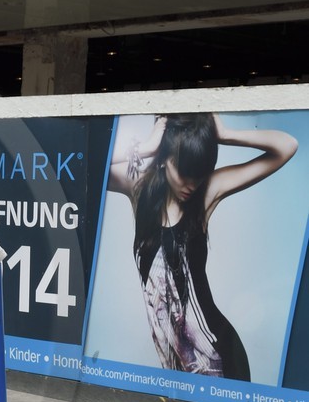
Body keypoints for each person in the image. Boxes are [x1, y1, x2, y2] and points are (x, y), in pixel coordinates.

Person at [107, 112, 297, 379]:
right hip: (179, 362)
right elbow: (88, 161)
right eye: (184, 172)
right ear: (164, 158)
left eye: (199, 174)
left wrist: (227, 135)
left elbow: (287, 146)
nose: (192, 185)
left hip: (218, 357)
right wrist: (147, 147)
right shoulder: (139, 188)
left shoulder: (207, 192)